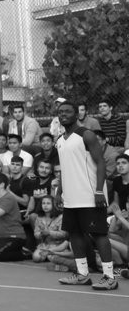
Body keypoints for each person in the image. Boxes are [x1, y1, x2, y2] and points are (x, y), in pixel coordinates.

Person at [55, 100, 118, 290]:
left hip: (90, 195)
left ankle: (109, 277)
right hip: (71, 197)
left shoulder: (87, 135)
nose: (63, 114)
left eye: (67, 111)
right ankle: (82, 274)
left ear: (76, 114)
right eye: (60, 112)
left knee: (99, 234)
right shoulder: (59, 140)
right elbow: (64, 170)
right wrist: (59, 192)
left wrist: (99, 191)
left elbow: (101, 163)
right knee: (74, 233)